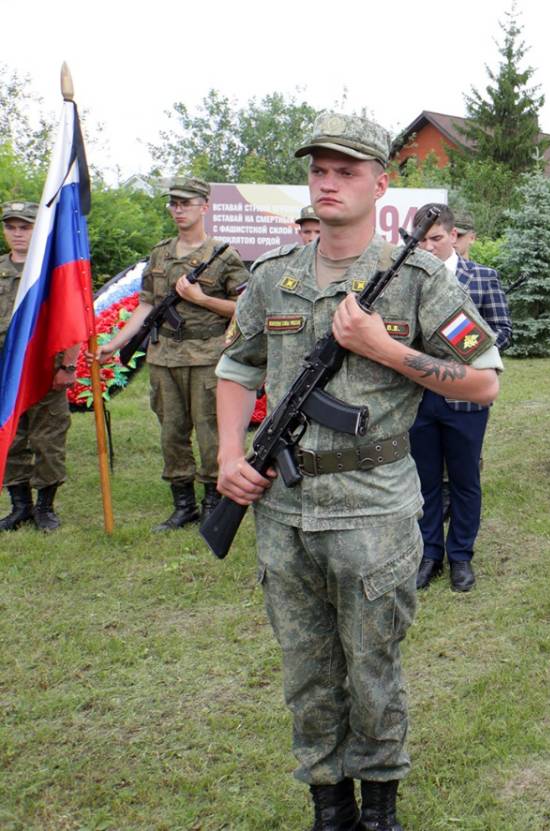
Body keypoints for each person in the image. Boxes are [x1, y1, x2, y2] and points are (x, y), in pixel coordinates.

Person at [214, 112, 502, 830]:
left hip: (372, 509)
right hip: (285, 508)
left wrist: (385, 348)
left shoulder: (417, 279)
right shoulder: (273, 276)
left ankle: (378, 808)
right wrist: (226, 456)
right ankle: (328, 805)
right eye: (320, 169)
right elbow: (236, 365)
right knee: (308, 674)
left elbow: (482, 379)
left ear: (381, 183)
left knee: (372, 668)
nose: (329, 182)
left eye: (346, 170)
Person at [98, 176, 250, 531]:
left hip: (208, 357)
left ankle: (213, 500)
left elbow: (245, 309)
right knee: (172, 431)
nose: (178, 209)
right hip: (164, 357)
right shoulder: (160, 253)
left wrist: (202, 300)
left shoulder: (224, 256)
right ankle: (183, 505)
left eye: (186, 203)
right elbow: (146, 306)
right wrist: (116, 343)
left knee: (211, 430)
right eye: (173, 203)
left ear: (205, 207)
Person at [408, 202, 511, 593]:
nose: (429, 247)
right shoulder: (407, 280)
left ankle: (461, 556)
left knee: (465, 479)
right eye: (422, 240)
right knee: (425, 479)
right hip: (419, 394)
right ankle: (429, 553)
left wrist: (468, 350)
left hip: (466, 396)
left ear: (454, 236)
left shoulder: (482, 278)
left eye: (436, 238)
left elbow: (502, 329)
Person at [0, 201, 74, 532]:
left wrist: (67, 366)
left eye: (25, 227)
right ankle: (20, 506)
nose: (17, 233)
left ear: (37, 229)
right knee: (12, 437)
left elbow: (70, 321)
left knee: (48, 439)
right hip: (6, 372)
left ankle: (46, 507)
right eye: (11, 226)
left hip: (45, 369)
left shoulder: (52, 270)